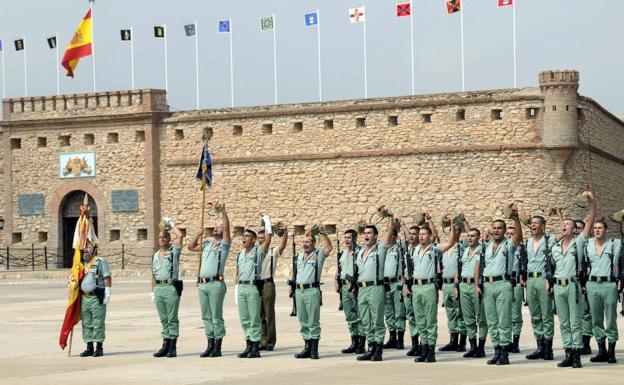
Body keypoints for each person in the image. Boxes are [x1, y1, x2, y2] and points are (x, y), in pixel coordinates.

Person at [549, 197, 595, 368]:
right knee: (563, 322)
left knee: (575, 322)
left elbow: (590, 220)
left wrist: (592, 204)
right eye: (563, 224)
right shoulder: (555, 247)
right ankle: (568, 353)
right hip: (558, 286)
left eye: (568, 224)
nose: (564, 226)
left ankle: (576, 354)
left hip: (572, 286)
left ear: (574, 229)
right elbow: (550, 267)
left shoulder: (579, 242)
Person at [475, 211, 522, 365]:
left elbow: (518, 237)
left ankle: (504, 352)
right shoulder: (486, 246)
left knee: (504, 319)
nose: (496, 230)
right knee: (492, 320)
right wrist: (477, 284)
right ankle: (496, 350)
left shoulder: (509, 244)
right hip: (488, 285)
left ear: (504, 230)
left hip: (503, 283)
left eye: (500, 228)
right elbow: (478, 266)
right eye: (494, 228)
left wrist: (515, 218)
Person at [188, 203, 231, 358]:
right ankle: (210, 344)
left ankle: (218, 345)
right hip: (203, 284)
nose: (216, 229)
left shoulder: (224, 245)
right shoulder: (206, 244)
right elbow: (191, 247)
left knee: (216, 315)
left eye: (218, 227)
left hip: (215, 284)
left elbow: (227, 229)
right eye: (214, 227)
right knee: (206, 315)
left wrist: (223, 212)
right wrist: (197, 234)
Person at [581, 215, 621, 364]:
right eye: (595, 228)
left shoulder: (615, 243)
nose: (597, 230)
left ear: (606, 230)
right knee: (596, 318)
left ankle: (611, 352)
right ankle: (601, 350)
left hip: (609, 284)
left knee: (611, 318)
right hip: (592, 284)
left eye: (600, 228)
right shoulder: (587, 244)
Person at [291, 225, 332, 359]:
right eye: (303, 242)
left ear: (314, 243)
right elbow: (295, 273)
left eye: (308, 242)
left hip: (312, 290)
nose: (305, 244)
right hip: (299, 290)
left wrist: (322, 233)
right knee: (303, 320)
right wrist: (292, 285)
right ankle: (307, 347)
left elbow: (329, 248)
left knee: (313, 320)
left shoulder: (318, 254)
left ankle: (314, 350)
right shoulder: (299, 255)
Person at [355, 217, 393, 362]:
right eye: (365, 233)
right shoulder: (359, 252)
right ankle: (370, 348)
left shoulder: (380, 249)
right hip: (362, 289)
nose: (366, 235)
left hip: (375, 287)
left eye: (370, 233)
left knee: (377, 320)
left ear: (375, 236)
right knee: (366, 320)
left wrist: (390, 218)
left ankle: (378, 350)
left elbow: (389, 233)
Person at [235, 218, 273, 359]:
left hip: (252, 287)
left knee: (254, 318)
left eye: (247, 236)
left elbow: (268, 240)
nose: (244, 238)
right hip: (242, 287)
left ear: (253, 240)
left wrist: (267, 222)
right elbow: (237, 273)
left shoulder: (258, 252)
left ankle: (255, 347)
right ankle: (248, 345)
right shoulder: (240, 254)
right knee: (244, 318)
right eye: (243, 236)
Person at [523, 216, 557, 361]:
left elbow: (565, 233)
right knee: (535, 315)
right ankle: (540, 347)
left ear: (543, 226)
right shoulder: (527, 242)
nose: (533, 225)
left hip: (544, 279)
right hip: (531, 280)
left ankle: (548, 349)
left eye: (536, 223)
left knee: (546, 315)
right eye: (532, 223)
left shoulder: (550, 240)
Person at [152, 218, 184, 358]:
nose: (162, 239)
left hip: (171, 287)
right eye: (160, 237)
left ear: (169, 239)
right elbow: (153, 274)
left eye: (165, 237)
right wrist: (152, 291)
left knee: (172, 318)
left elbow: (180, 236)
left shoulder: (173, 251)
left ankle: (173, 346)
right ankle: (165, 344)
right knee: (163, 319)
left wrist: (172, 225)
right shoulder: (155, 255)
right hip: (159, 287)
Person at [456, 228, 488, 358]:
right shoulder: (464, 251)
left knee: (481, 318)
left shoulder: (482, 251)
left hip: (476, 286)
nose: (470, 238)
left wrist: (477, 285)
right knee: (468, 318)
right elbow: (459, 268)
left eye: (473, 236)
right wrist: (456, 286)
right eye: (468, 236)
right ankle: (473, 346)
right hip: (464, 285)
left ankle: (481, 347)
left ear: (478, 237)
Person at [438, 217, 469, 353]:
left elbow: (470, 234)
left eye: (457, 230)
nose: (454, 232)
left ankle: (462, 342)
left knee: (460, 312)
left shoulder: (463, 246)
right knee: (450, 313)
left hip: (457, 283)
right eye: (451, 230)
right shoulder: (445, 248)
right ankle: (453, 340)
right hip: (446, 283)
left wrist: (463, 221)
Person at [78, 239, 112, 357]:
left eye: (88, 246)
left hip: (96, 296)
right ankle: (89, 346)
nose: (85, 249)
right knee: (87, 322)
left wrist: (107, 293)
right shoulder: (82, 263)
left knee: (97, 322)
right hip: (85, 298)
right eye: (84, 247)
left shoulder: (100, 261)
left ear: (94, 248)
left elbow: (107, 278)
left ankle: (99, 347)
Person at [257, 224, 288, 351]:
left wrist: (285, 233)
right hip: (256, 283)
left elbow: (283, 245)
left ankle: (270, 341)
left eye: (262, 237)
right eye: (258, 238)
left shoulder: (272, 252)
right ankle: (261, 340)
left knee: (269, 314)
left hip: (267, 283)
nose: (260, 240)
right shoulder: (255, 252)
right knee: (259, 314)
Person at [336, 229, 365, 354]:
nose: (347, 240)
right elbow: (339, 270)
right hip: (344, 287)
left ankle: (362, 343)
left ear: (355, 238)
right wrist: (336, 282)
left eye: (349, 237)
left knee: (359, 315)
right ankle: (354, 341)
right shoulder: (342, 253)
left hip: (355, 287)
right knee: (350, 316)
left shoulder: (360, 252)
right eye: (345, 237)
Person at [382, 227, 407, 350]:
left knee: (399, 312)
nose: (389, 237)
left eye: (392, 235)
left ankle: (400, 338)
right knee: (389, 312)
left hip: (396, 282)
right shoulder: (382, 249)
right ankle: (392, 337)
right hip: (385, 283)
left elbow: (410, 242)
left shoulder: (400, 249)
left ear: (396, 237)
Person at [505, 226, 524, 353]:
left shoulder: (522, 250)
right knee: (504, 314)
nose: (510, 236)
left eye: (513, 233)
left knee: (516, 314)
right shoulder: (503, 248)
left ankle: (515, 342)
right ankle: (505, 342)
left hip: (516, 283)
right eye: (508, 233)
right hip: (504, 284)